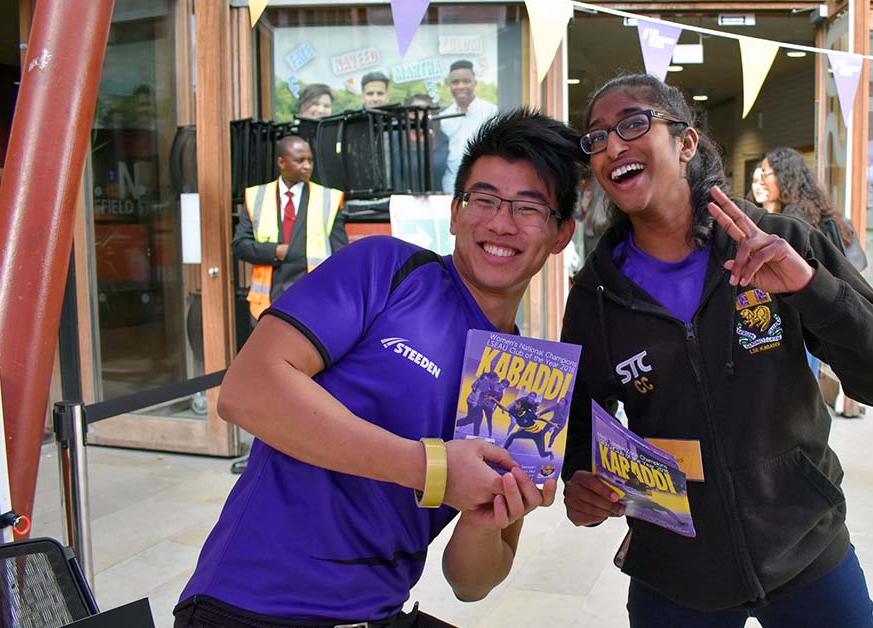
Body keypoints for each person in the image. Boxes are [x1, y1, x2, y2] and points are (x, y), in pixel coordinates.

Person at [175, 109, 586, 628]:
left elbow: (471, 583)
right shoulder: (387, 270)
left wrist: (488, 517)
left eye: (529, 208)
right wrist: (432, 469)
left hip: (375, 613)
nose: (500, 223)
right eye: (483, 199)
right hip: (252, 606)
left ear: (561, 234)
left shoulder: (523, 381)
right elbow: (247, 389)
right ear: (456, 213)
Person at [560, 74, 873, 627]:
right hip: (673, 575)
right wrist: (581, 484)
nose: (612, 146)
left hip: (807, 553)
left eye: (633, 124)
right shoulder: (596, 296)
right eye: (597, 137)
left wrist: (812, 288)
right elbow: (580, 430)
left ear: (686, 144)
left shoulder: (780, 243)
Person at [228, 136, 347, 475]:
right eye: (300, 160)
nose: (308, 166)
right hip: (267, 303)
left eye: (310, 160)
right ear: (282, 162)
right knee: (264, 381)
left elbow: (340, 256)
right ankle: (260, 456)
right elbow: (240, 245)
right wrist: (275, 252)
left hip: (313, 306)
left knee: (309, 385)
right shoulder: (256, 197)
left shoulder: (328, 199)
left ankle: (305, 451)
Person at [759, 147, 868, 272]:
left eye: (765, 174)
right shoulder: (820, 209)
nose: (762, 182)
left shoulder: (792, 217)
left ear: (783, 176)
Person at [439, 60, 499, 192]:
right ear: (449, 85)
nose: (460, 86)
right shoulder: (443, 118)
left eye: (466, 81)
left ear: (474, 83)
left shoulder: (491, 112)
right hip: (450, 186)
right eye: (455, 82)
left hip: (483, 184)